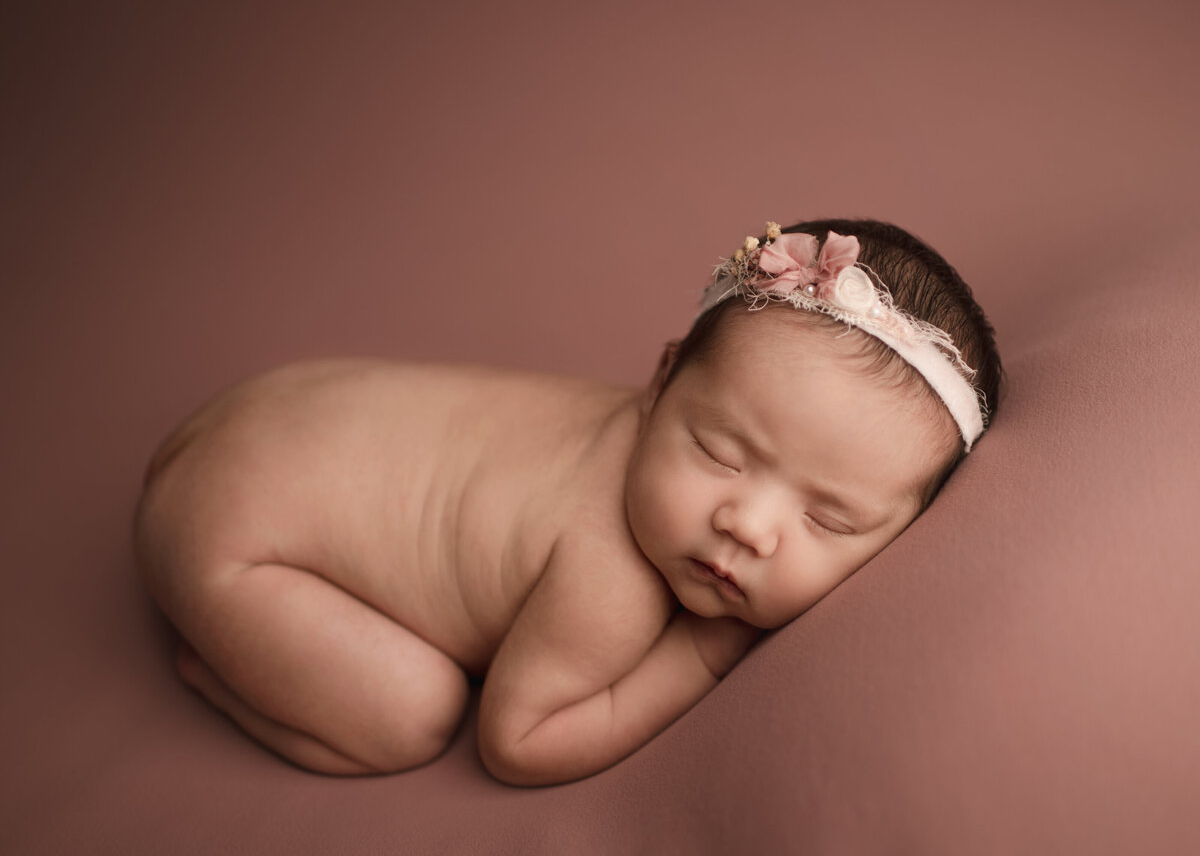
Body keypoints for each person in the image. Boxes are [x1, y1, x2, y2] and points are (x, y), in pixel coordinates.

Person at [134, 218, 1002, 787]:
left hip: (265, 413)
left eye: (828, 519)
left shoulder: (661, 423)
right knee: (411, 714)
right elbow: (517, 742)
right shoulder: (609, 577)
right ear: (660, 381)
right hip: (228, 534)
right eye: (717, 451)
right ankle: (220, 670)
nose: (747, 522)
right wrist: (705, 654)